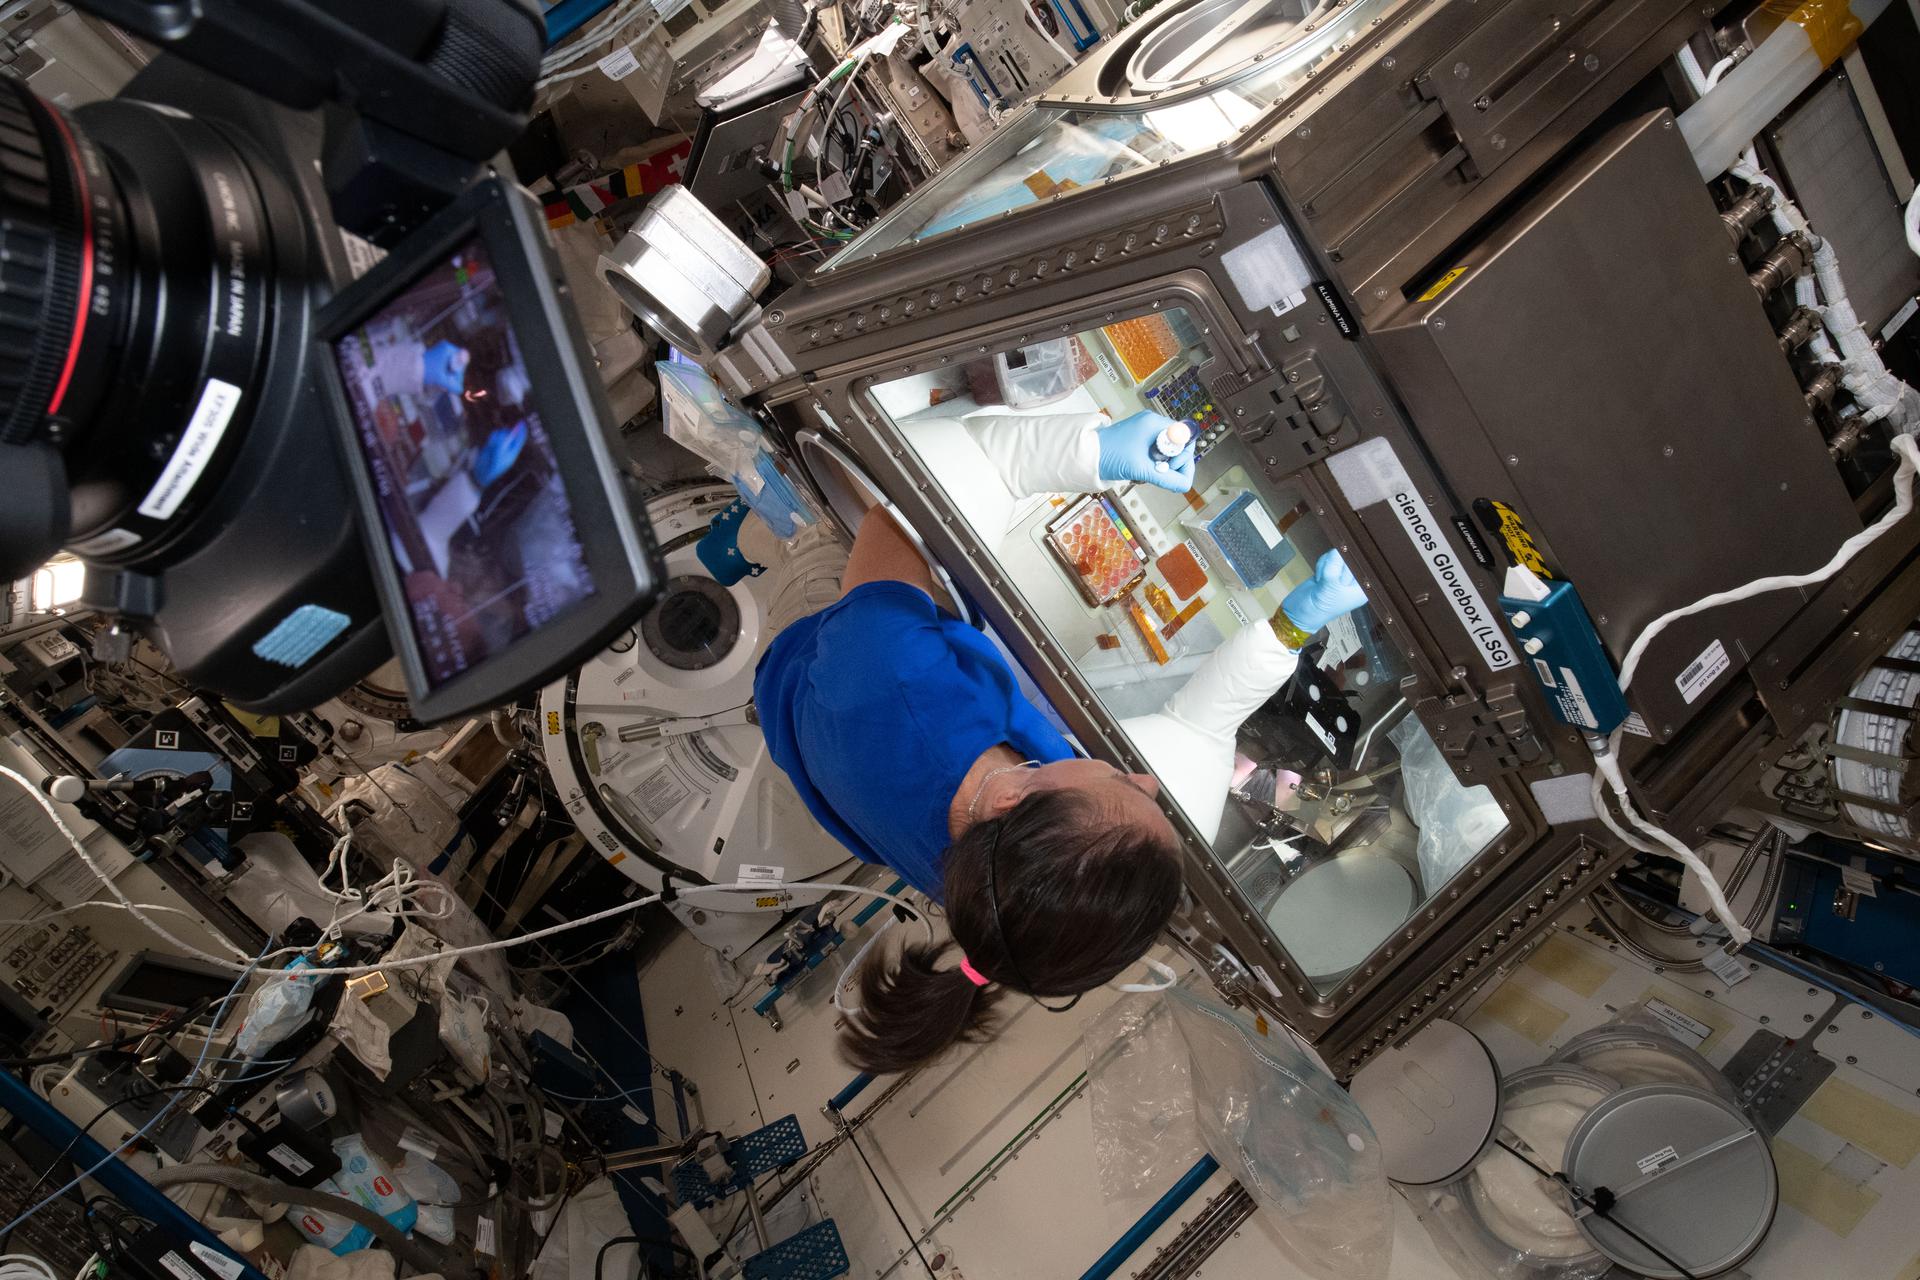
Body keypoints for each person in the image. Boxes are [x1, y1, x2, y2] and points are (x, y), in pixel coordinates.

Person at [753, 410, 1367, 1072]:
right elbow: (1197, 732)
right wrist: (1289, 631)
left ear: (1015, 796)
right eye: (1144, 794)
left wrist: (1088, 449)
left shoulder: (888, 673)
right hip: (863, 732)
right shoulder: (1002, 890)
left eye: (1121, 785)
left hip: (814, 663)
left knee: (824, 530)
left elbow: (911, 485)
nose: (1146, 781)